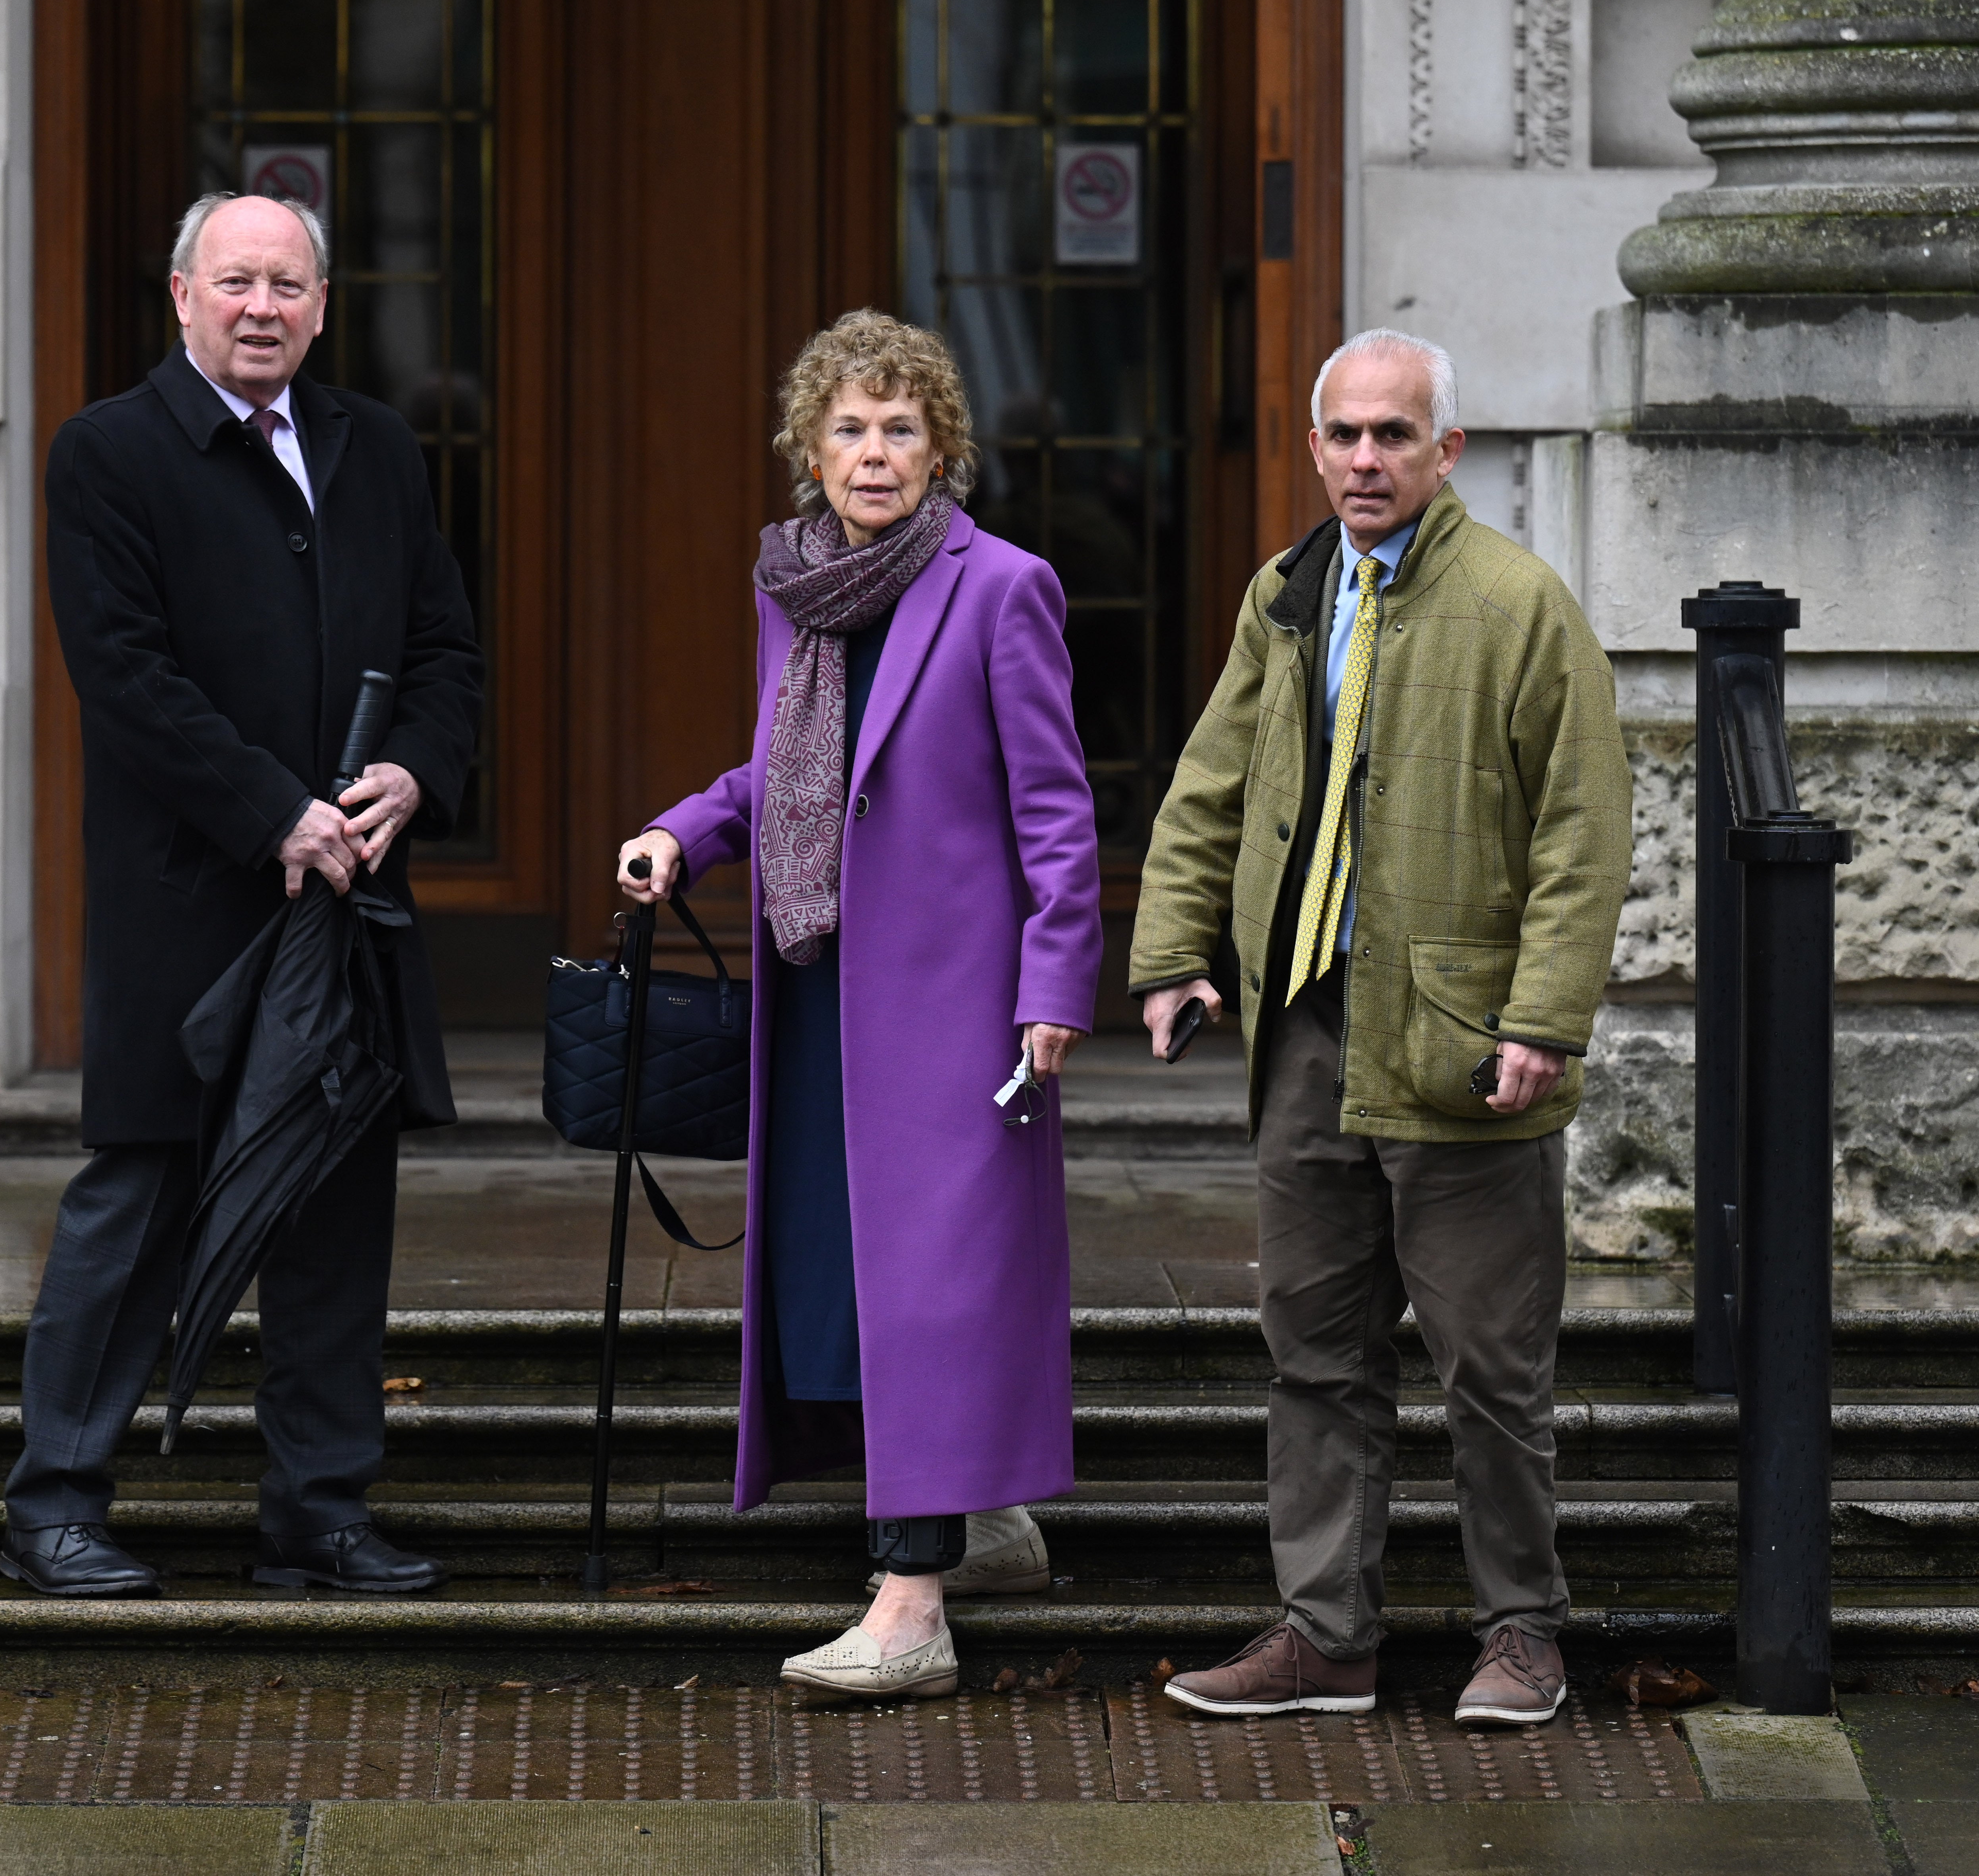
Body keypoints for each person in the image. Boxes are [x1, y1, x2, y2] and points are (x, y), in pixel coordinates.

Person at [1131, 330, 1632, 1726]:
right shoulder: (1285, 593)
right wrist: (1172, 950)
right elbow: (1209, 785)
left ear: (1446, 450)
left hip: (1465, 1048)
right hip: (1303, 1031)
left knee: (1491, 1372)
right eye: (1343, 435)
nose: (1365, 459)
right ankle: (1324, 1637)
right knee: (1313, 1353)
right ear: (1312, 446)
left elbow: (1585, 833)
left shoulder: (1520, 604)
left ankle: (1520, 1635)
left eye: (1394, 436)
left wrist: (1544, 1018)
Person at [0, 193, 482, 1599]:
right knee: (137, 1199)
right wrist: (274, 809)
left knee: (337, 1212)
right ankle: (53, 1508)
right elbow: (125, 677)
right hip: (187, 909)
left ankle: (320, 1513)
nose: (261, 307)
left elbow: (448, 646)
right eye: (235, 283)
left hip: (354, 908)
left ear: (323, 307)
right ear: (181, 296)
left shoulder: (376, 450)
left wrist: (409, 773)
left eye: (287, 284)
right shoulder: (108, 453)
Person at [617, 310, 1100, 1702]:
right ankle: (982, 1524)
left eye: (900, 428)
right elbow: (795, 771)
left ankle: (910, 1610)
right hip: (820, 991)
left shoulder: (1003, 587)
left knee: (939, 1283)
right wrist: (685, 834)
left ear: (941, 446)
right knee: (849, 1277)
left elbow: (1056, 810)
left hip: (954, 1006)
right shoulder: (796, 587)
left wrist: (1055, 979)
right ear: (809, 452)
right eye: (848, 429)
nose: (873, 453)